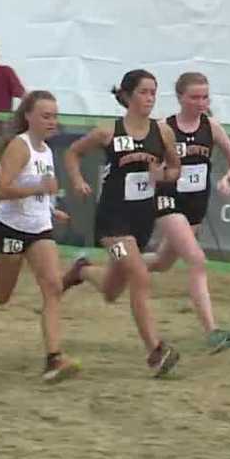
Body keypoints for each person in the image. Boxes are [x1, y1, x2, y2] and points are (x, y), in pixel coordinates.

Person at [0, 91, 80, 383]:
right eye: (46, 116)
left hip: (39, 228)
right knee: (1, 294)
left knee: (53, 286)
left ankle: (54, 358)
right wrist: (38, 191)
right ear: (29, 116)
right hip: (11, 228)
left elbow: (41, 187)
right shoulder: (20, 147)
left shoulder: (45, 150)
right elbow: (1, 190)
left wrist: (50, 208)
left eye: (55, 116)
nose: (52, 121)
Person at [60, 69, 181, 377]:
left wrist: (163, 176)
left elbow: (176, 170)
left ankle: (82, 270)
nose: (150, 98)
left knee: (113, 289)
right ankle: (155, 351)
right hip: (111, 223)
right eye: (144, 92)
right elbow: (73, 153)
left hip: (141, 221)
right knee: (139, 274)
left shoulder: (162, 132)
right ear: (127, 96)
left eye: (154, 92)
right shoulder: (108, 132)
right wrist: (76, 180)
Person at [147, 72, 230, 353]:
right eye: (194, 97)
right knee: (197, 260)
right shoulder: (164, 127)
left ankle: (115, 265)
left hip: (195, 206)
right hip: (167, 201)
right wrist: (163, 173)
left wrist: (228, 179)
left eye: (205, 97)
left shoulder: (212, 128)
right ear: (180, 98)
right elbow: (148, 168)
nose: (201, 102)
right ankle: (212, 331)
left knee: (162, 262)